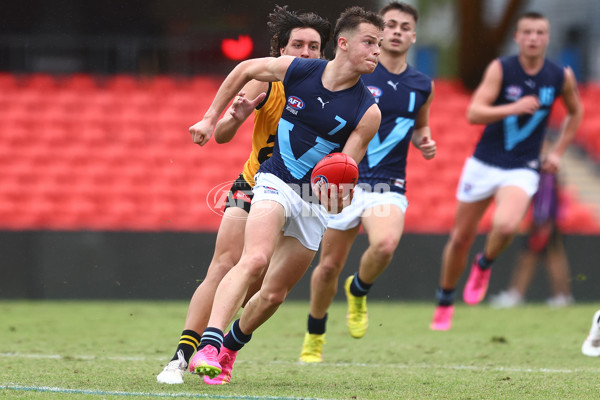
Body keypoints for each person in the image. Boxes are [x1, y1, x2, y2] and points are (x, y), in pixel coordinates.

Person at [187, 6, 384, 383]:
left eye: (378, 44)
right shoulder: (301, 70)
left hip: (313, 201)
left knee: (274, 295)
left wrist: (339, 194)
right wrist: (211, 118)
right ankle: (208, 344)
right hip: (275, 181)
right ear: (343, 44)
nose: (378, 51)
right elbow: (244, 69)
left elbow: (346, 170)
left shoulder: (368, 111)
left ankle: (229, 347)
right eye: (370, 42)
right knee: (255, 258)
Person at [156, 5, 331, 385]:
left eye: (313, 47)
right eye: (296, 45)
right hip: (254, 183)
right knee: (225, 265)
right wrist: (231, 118)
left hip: (304, 195)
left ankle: (220, 347)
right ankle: (181, 356)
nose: (304, 53)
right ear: (280, 50)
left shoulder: (333, 88)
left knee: (261, 285)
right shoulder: (266, 80)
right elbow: (221, 136)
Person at [298, 1, 435, 363]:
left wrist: (425, 139)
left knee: (386, 245)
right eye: (390, 24)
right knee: (327, 267)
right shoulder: (359, 72)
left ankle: (358, 290)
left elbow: (420, 124)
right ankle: (315, 335)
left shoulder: (422, 84)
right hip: (345, 180)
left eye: (405, 27)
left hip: (387, 183)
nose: (396, 31)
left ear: (413, 36)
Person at [430, 11, 583, 331]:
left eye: (540, 32)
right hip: (484, 162)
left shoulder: (559, 76)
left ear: (547, 37)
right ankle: (445, 299)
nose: (533, 38)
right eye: (527, 32)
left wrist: (557, 152)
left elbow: (575, 112)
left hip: (523, 167)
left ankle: (484, 263)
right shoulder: (502, 69)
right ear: (517, 37)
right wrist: (512, 107)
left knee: (507, 224)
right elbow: (474, 113)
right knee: (460, 238)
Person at [490, 137, 574, 308]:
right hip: (546, 220)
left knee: (548, 258)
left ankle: (557, 296)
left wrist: (542, 222)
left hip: (543, 221)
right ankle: (559, 295)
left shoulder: (545, 168)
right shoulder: (547, 166)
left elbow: (545, 197)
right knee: (544, 257)